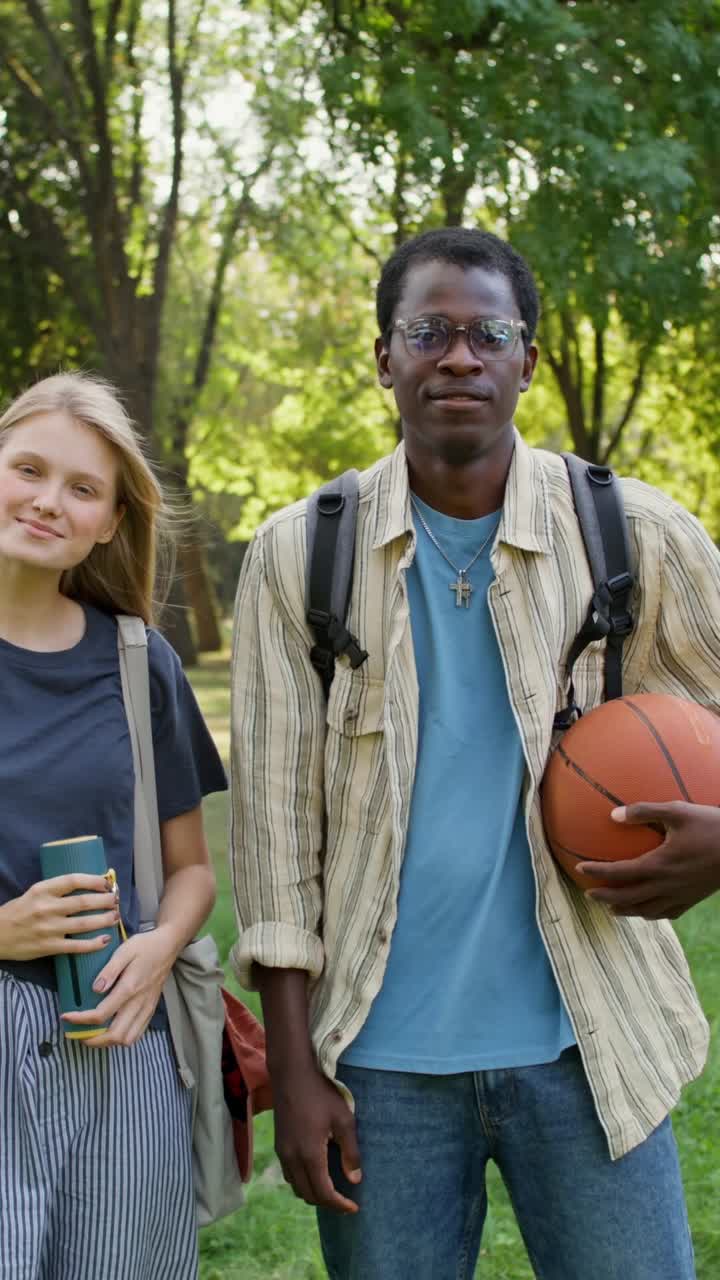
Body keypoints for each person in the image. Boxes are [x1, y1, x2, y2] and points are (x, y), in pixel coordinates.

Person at [229, 227, 720, 1280]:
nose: (459, 356)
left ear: (527, 359)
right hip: (379, 1066)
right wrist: (301, 1068)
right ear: (384, 356)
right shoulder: (299, 554)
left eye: (488, 333)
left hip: (589, 1043)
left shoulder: (636, 533)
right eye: (429, 332)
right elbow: (274, 839)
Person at [0, 372, 226, 1280]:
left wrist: (161, 945)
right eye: (28, 470)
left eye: (82, 489)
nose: (49, 502)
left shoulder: (139, 662)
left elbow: (192, 870)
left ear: (109, 520)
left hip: (113, 1037)